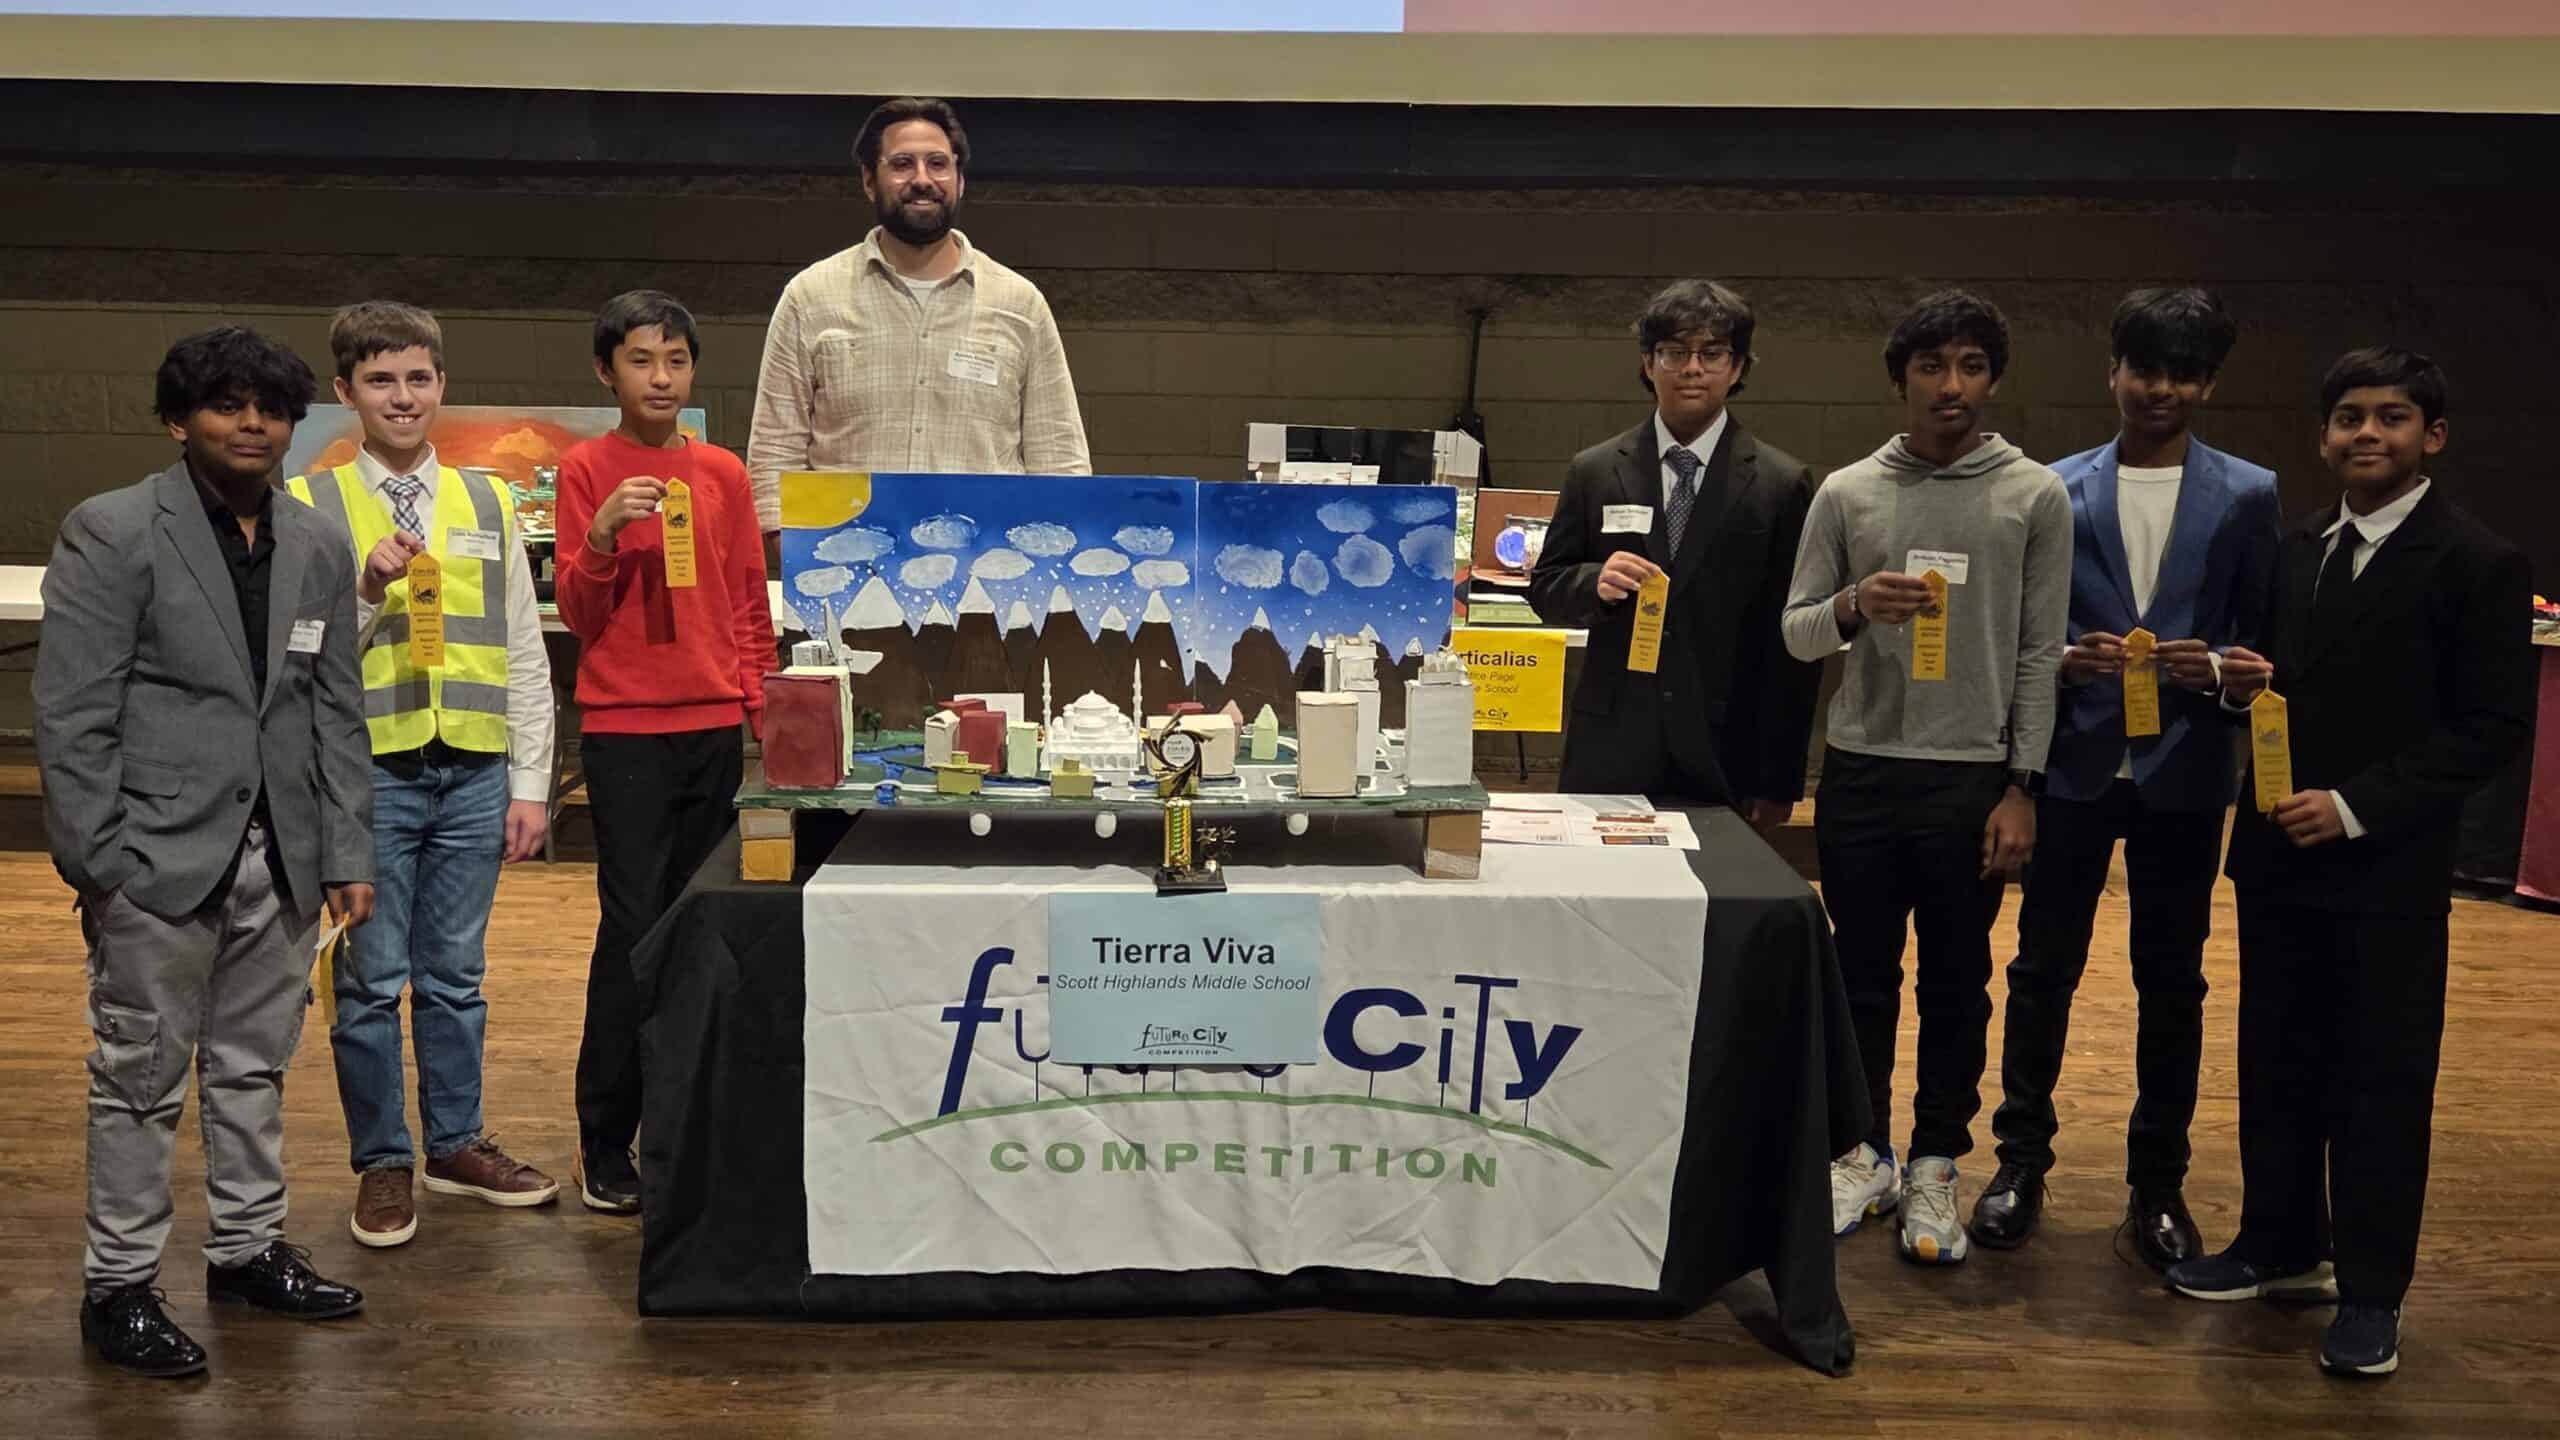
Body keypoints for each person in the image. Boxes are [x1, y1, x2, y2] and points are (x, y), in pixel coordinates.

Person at [2168, 348, 2534, 1378]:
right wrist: (2238, 687)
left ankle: (2370, 1291)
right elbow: (2292, 692)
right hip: (2278, 858)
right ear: (2323, 436)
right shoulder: (2295, 553)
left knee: (2377, 1082)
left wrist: (2360, 806)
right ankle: (2280, 1245)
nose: (2365, 434)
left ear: (2433, 436)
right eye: (2346, 419)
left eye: (2390, 418)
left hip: (2385, 869)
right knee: (2276, 1063)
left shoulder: (2477, 561)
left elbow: (2492, 726)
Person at [36, 326, 375, 1377]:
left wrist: (346, 851)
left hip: (285, 858)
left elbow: (334, 709)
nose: (253, 424)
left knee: (252, 1070)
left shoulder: (316, 542)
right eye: (227, 405)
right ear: (179, 419)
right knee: (139, 1080)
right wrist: (102, 862)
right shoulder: (116, 531)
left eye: (270, 408)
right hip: (155, 860)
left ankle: (244, 1249)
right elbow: (72, 712)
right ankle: (120, 1286)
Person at [1969, 289, 2281, 1268]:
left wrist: (2223, 670)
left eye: (2182, 373)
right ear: (2111, 371)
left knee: (2172, 983)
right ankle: (2018, 1161)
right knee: (2040, 970)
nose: (2161, 389)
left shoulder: (2248, 493)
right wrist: (2064, 661)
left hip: (2187, 771)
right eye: (2144, 368)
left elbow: (2265, 641)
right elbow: (2027, 632)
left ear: (2208, 384)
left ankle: (2157, 1183)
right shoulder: (2054, 487)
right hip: (2072, 766)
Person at [1780, 289, 2070, 1267]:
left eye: (1972, 367)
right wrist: (1855, 603)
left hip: (1972, 781)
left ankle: (1938, 1162)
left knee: (1956, 984)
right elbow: (1796, 630)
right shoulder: (1847, 491)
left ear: (1991, 379)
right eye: (1932, 367)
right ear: (1900, 378)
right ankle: (1861, 1155)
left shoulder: (2033, 494)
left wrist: (2021, 782)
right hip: (1863, 770)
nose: (1952, 387)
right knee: (1859, 977)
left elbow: (2041, 651)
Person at [287, 301, 561, 1249]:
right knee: (368, 979)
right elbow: (298, 652)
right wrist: (363, 591)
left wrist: (532, 783)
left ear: (441, 384)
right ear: (345, 393)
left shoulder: (489, 501)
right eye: (379, 380)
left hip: (476, 771)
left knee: (455, 976)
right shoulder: (311, 506)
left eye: (416, 378)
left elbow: (524, 648)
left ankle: (452, 1144)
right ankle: (383, 1161)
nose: (401, 397)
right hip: (371, 773)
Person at [558, 289, 776, 1214]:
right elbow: (578, 612)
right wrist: (604, 534)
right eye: (642, 360)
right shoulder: (584, 468)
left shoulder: (721, 471)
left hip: (711, 729)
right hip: (624, 734)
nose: (661, 377)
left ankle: (682, 1125)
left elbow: (745, 604)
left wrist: (761, 711)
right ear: (608, 371)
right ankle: (604, 1136)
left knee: (698, 931)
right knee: (631, 928)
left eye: (677, 361)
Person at [1527, 279, 1819, 819]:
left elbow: (1791, 648)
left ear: (1737, 368)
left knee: (1724, 902)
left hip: (1726, 747)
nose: (1691, 369)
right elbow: (1546, 588)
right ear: (1647, 363)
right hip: (1612, 742)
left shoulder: (1782, 483)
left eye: (1712, 353)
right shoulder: (1594, 470)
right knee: (1602, 899)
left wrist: (1780, 778)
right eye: (1674, 352)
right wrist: (1594, 581)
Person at [747, 95, 1090, 532]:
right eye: (902, 164)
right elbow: (774, 454)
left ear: (960, 179)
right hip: (842, 572)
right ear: (870, 180)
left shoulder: (1020, 304)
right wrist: (795, 554)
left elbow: (1060, 460)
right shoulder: (810, 297)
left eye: (938, 164)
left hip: (986, 578)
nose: (922, 179)